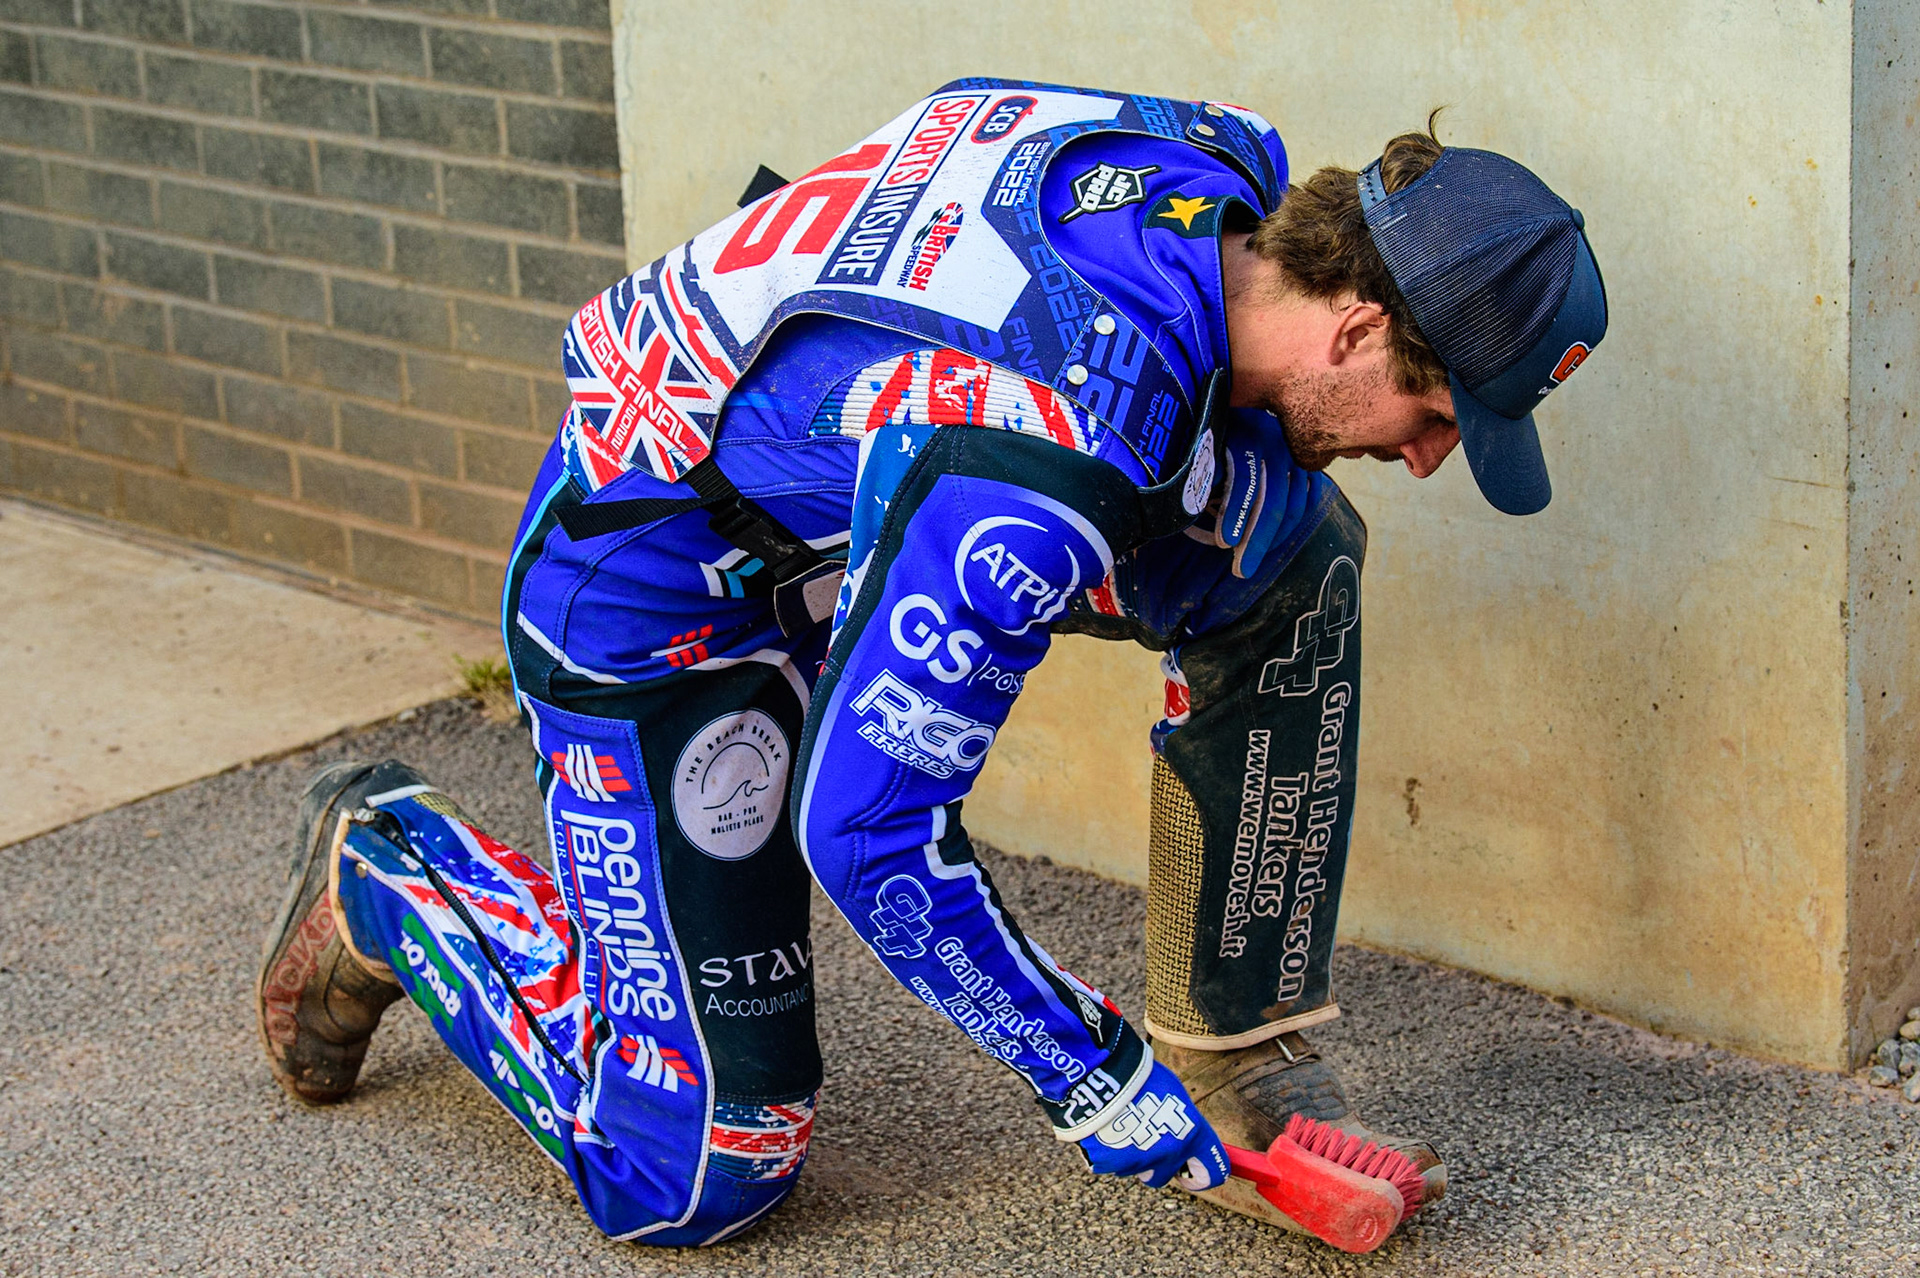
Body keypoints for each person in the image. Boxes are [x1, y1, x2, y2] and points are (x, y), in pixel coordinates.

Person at [256, 78, 1606, 1245]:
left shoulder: (1210, 164)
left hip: (841, 496)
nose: (1430, 453)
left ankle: (1235, 1059)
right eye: (1433, 412)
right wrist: (1087, 1072)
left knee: (1290, 545)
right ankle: (391, 868)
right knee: (704, 1168)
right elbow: (869, 833)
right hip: (649, 590)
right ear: (1361, 325)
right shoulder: (1059, 439)